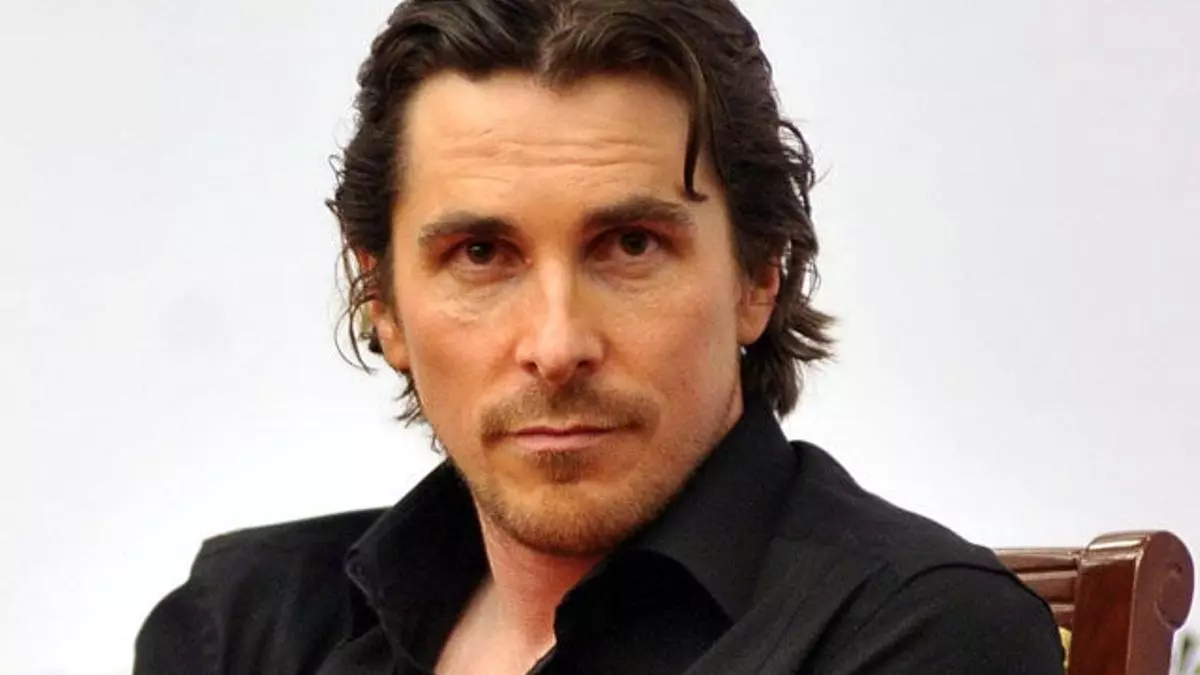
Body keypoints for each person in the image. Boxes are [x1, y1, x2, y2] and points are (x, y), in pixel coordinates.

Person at [134, 0, 1065, 673]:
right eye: (481, 253)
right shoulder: (247, 626)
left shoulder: (926, 635)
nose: (556, 344)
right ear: (382, 300)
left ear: (758, 277)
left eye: (630, 245)